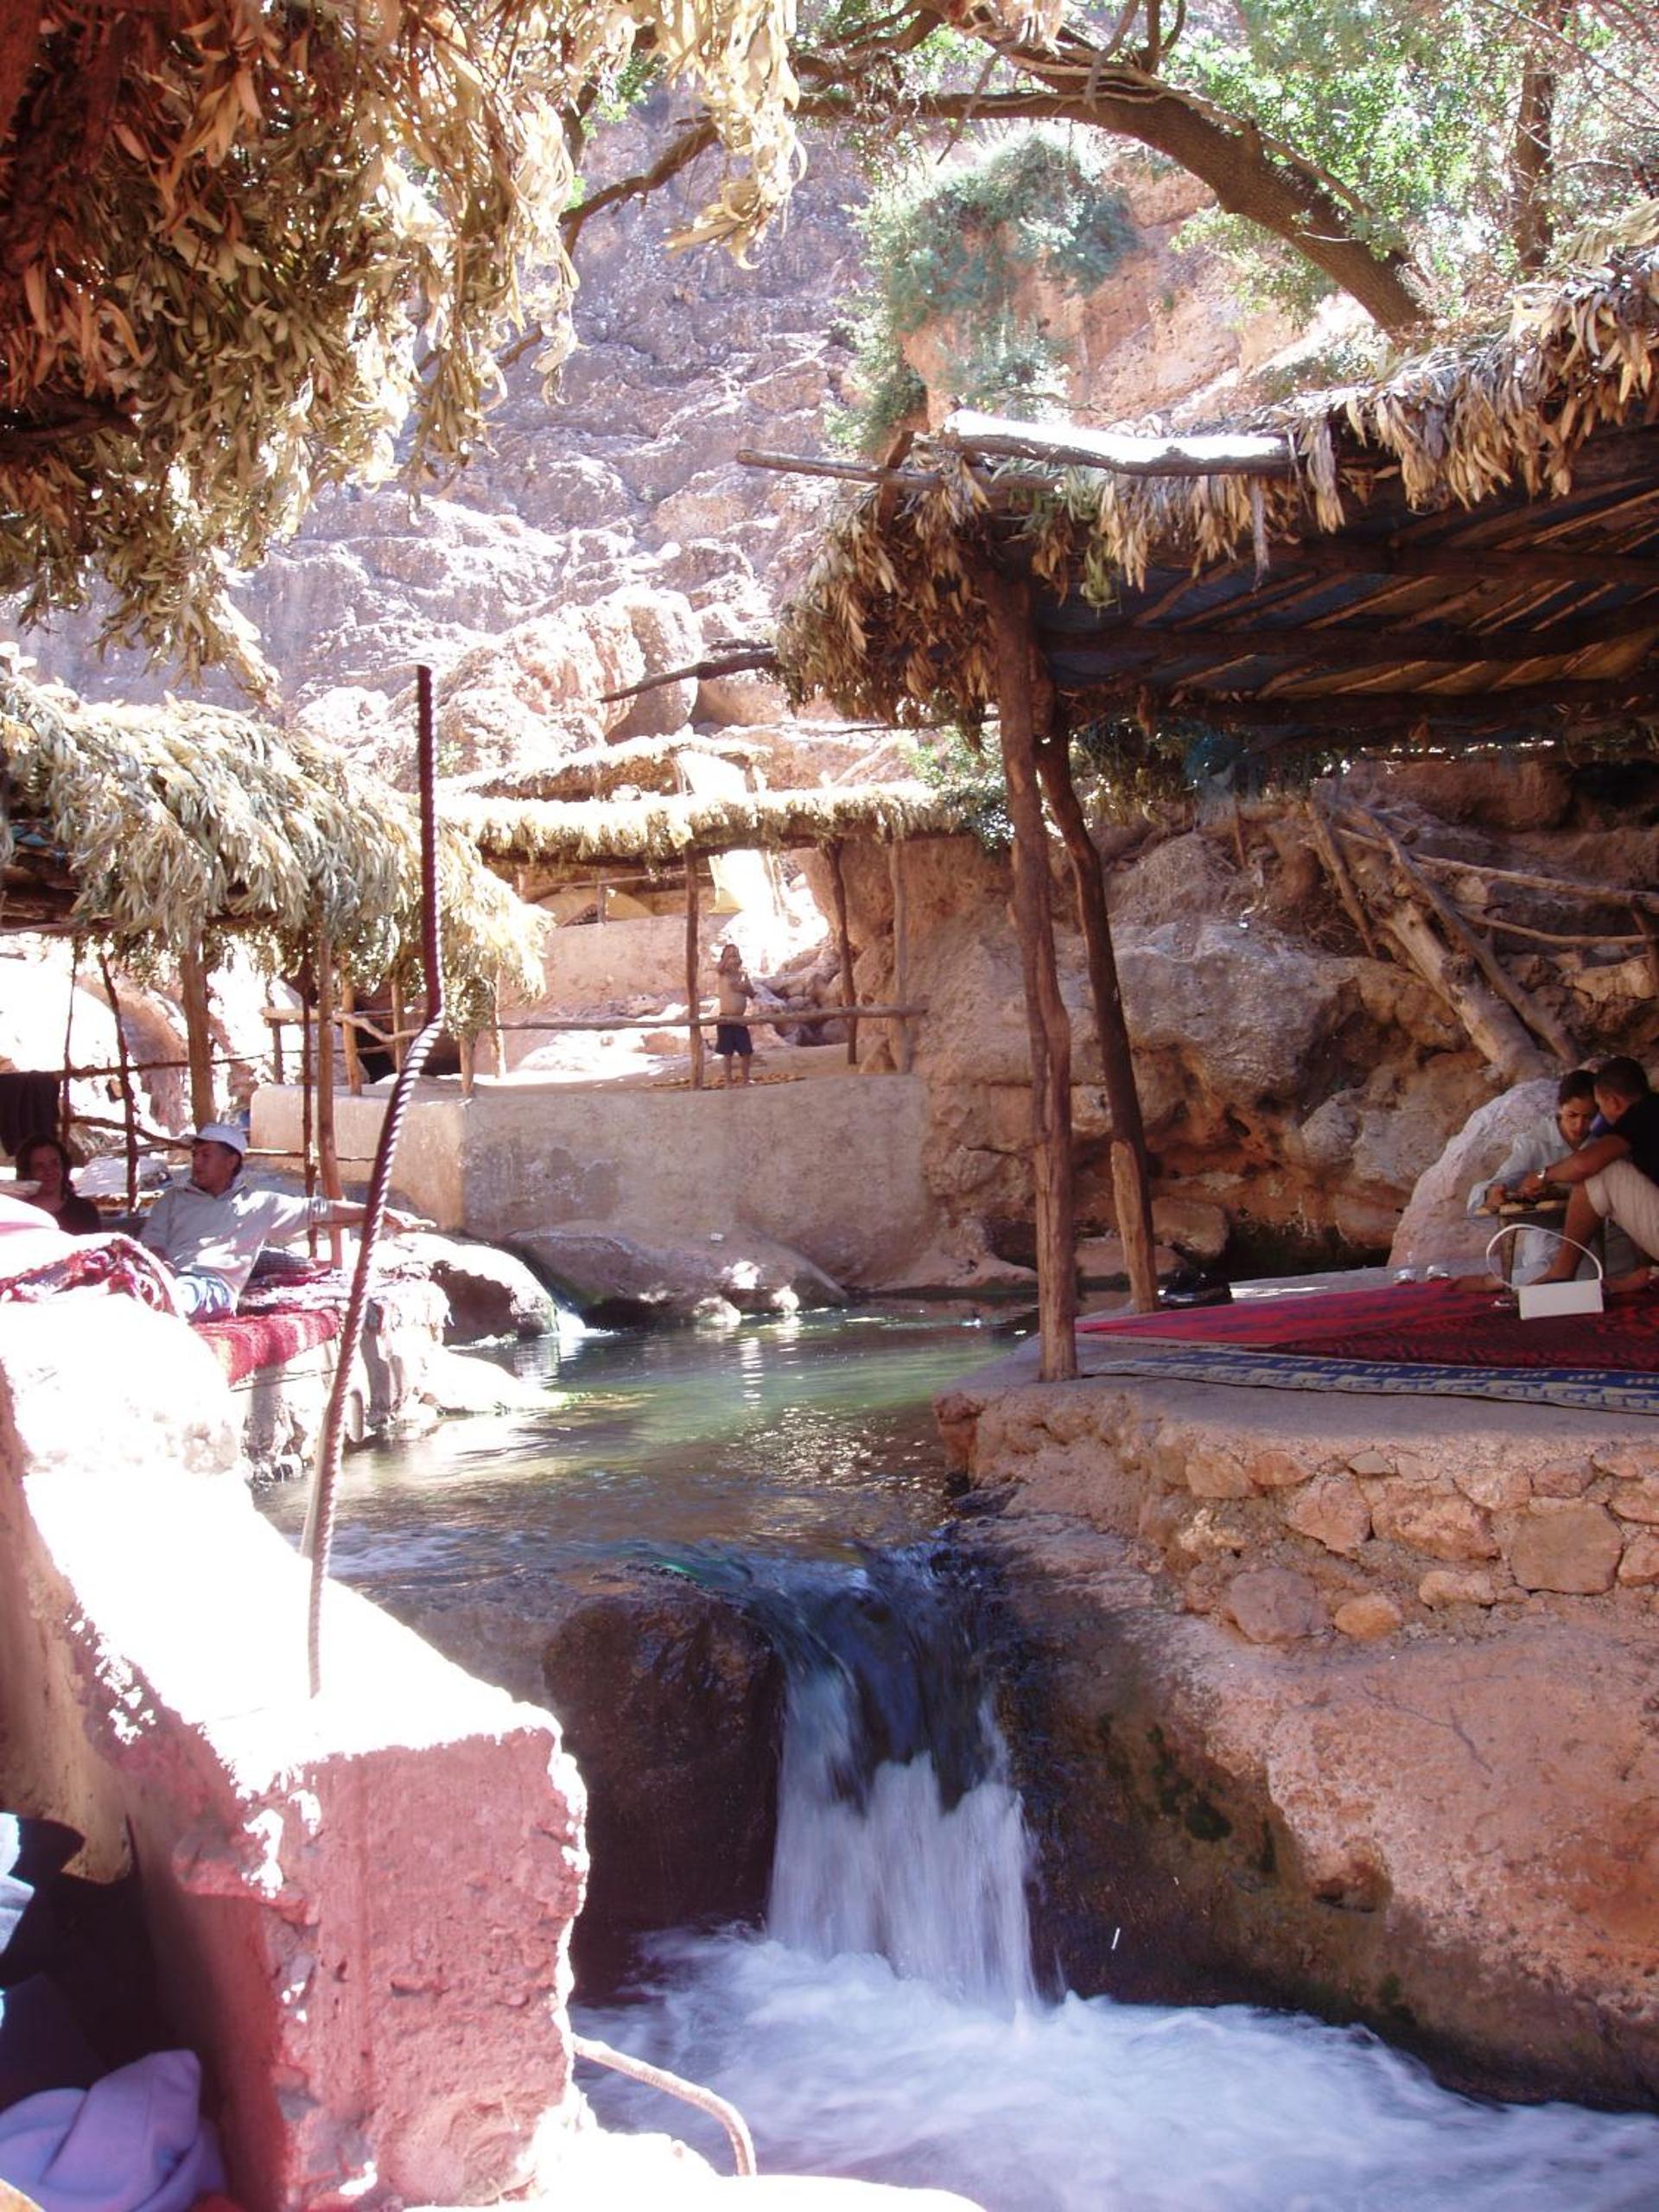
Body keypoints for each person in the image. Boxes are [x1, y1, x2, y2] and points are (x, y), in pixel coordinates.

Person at [139, 1123, 423, 1319]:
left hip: (211, 1288)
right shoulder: (172, 1200)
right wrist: (163, 1271)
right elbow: (152, 1244)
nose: (197, 1163)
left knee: (170, 1299)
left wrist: (377, 1211)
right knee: (134, 1290)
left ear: (231, 1162)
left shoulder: (259, 1205)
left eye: (205, 1155)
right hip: (165, 1277)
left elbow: (320, 1209)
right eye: (195, 1155)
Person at [1518, 1057, 1659, 1291]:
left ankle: (1561, 1272)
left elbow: (1585, 1165)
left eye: (1599, 1108)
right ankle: (1648, 1272)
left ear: (1613, 1102)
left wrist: (1543, 1175)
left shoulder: (1640, 1115)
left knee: (1598, 1173)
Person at [10, 1134, 102, 1236]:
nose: (49, 1171)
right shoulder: (17, 1214)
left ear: (63, 1166)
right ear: (28, 1172)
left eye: (54, 1163)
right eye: (40, 1166)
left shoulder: (84, 1211)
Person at [711, 943, 754, 1089]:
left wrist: (744, 988)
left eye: (735, 954)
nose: (733, 958)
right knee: (727, 1053)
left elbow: (752, 994)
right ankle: (728, 1081)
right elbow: (719, 967)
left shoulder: (743, 975)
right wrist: (727, 956)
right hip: (726, 1018)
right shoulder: (723, 973)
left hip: (740, 1019)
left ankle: (746, 1079)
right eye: (730, 955)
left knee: (746, 1052)